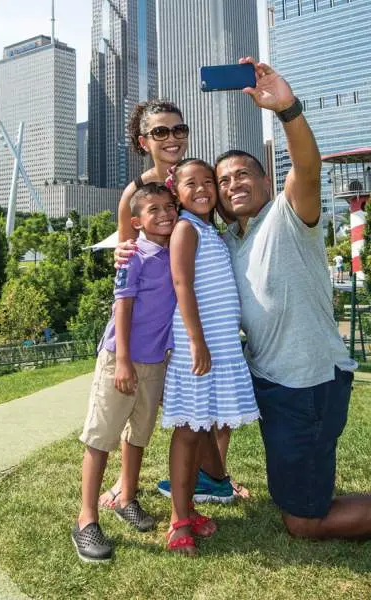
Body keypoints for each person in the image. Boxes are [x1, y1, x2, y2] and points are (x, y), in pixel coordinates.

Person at [214, 57, 371, 540]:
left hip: (308, 386)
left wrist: (287, 110)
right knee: (296, 496)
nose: (232, 184)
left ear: (266, 182)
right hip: (272, 384)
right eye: (224, 181)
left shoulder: (288, 215)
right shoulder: (231, 243)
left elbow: (307, 165)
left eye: (243, 175)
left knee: (303, 521)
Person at [101, 99, 248, 509]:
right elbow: (128, 253)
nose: (171, 138)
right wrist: (120, 254)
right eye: (161, 131)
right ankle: (127, 485)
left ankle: (213, 476)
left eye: (178, 129)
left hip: (200, 312)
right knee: (142, 405)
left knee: (210, 402)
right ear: (143, 140)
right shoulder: (138, 190)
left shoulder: (197, 180)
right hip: (156, 316)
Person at [72, 183, 178, 562]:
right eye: (154, 209)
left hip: (155, 362)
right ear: (136, 221)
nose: (165, 213)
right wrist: (123, 361)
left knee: (138, 435)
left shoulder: (176, 252)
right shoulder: (133, 254)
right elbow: (123, 306)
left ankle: (126, 497)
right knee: (101, 436)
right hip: (122, 357)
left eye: (170, 206)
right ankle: (86, 519)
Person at [163, 158, 259, 555]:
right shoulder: (185, 229)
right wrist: (196, 340)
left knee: (203, 426)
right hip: (197, 346)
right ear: (176, 191)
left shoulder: (208, 229)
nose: (203, 189)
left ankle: (191, 507)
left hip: (218, 345)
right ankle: (178, 520)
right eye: (192, 183)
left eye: (209, 182)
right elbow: (182, 285)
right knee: (188, 432)